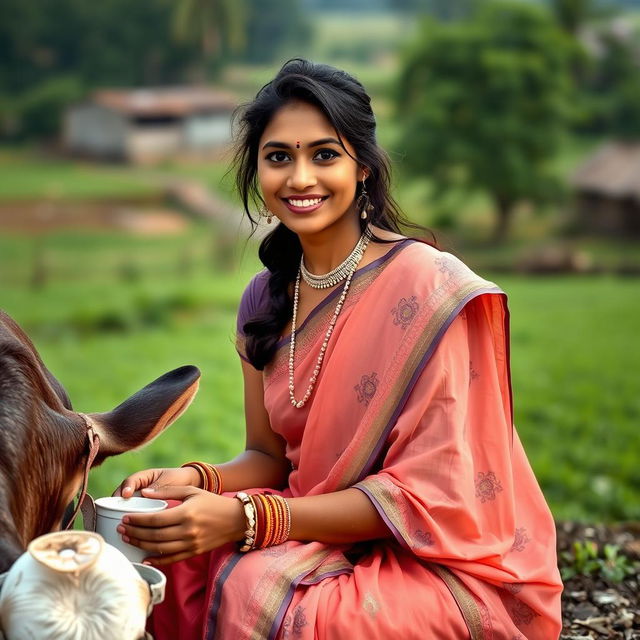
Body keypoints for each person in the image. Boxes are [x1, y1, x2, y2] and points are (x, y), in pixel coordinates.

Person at [115, 59, 563, 639]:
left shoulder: (430, 289)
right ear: (256, 170)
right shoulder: (265, 298)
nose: (300, 178)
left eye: (324, 155)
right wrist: (195, 482)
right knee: (156, 545)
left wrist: (248, 518)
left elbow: (433, 499)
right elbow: (269, 460)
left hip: (438, 560)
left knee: (284, 602)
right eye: (279, 157)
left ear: (365, 169)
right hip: (312, 529)